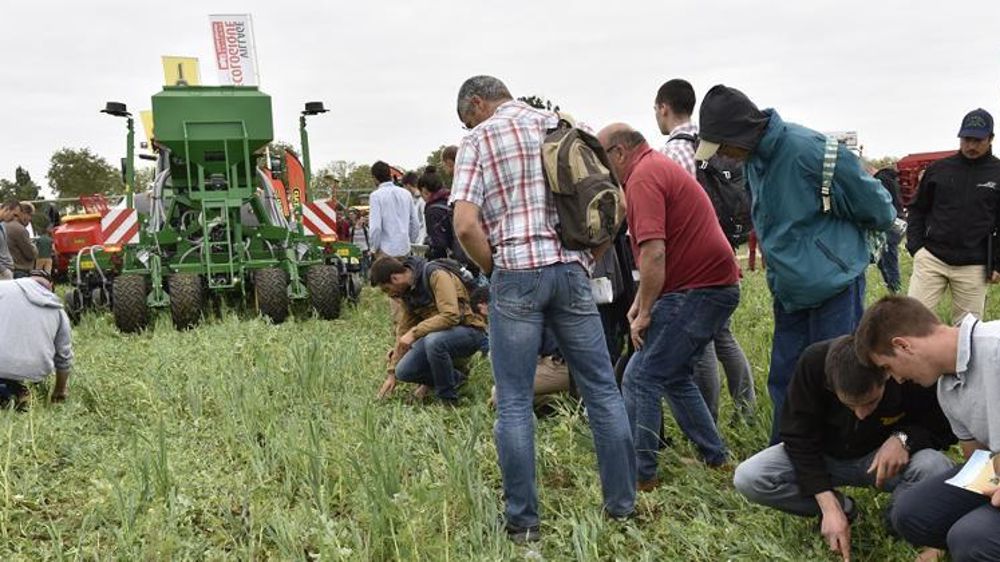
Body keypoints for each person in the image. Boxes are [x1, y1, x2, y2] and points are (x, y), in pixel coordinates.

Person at [450, 75, 636, 541]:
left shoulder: (479, 139)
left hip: (515, 273)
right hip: (571, 273)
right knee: (601, 390)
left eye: (467, 115)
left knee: (513, 402)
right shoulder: (563, 125)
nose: (469, 123)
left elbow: (466, 225)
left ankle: (524, 524)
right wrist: (585, 258)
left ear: (477, 102)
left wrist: (498, 270)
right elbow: (616, 203)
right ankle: (622, 506)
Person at [696, 84, 896, 443]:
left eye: (724, 145)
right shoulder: (754, 158)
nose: (723, 155)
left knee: (839, 376)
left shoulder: (809, 150)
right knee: (786, 377)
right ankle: (787, 453)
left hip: (833, 285)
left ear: (739, 132)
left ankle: (840, 454)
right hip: (789, 289)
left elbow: (877, 206)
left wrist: (832, 249)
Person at [597, 123, 740, 487]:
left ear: (618, 153)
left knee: (641, 376)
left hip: (700, 288)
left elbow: (654, 252)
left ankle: (641, 475)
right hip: (710, 285)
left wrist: (645, 311)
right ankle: (715, 458)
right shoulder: (656, 166)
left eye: (601, 159)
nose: (601, 169)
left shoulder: (642, 177)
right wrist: (643, 303)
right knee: (673, 374)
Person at [734, 335, 955, 562]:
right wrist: (829, 506)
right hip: (825, 457)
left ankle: (897, 522)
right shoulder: (813, 362)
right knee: (750, 477)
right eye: (850, 405)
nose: (861, 413)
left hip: (882, 460)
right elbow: (797, 436)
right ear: (830, 386)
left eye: (871, 402)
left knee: (935, 466)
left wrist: (903, 438)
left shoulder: (904, 371)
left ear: (887, 375)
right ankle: (845, 509)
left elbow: (942, 425)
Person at [856, 296, 1000, 561]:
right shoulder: (945, 389)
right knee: (911, 513)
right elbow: (976, 458)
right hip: (996, 471)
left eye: (888, 367)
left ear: (902, 346)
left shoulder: (995, 346)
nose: (897, 379)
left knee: (970, 538)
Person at [654, 78, 756, 424]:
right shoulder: (709, 143)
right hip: (723, 249)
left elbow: (675, 213)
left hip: (695, 262)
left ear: (663, 108)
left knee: (703, 346)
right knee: (723, 335)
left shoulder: (672, 154)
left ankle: (708, 420)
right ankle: (746, 409)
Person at [905, 109, 1000, 322]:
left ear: (991, 138)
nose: (971, 146)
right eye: (966, 139)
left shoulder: (998, 173)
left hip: (974, 265)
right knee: (911, 324)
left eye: (978, 140)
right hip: (931, 259)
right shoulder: (938, 169)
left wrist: (997, 264)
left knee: (968, 333)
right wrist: (916, 248)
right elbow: (917, 208)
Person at [371, 256, 487, 406]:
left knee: (434, 341)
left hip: (469, 332)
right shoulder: (409, 293)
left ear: (395, 278)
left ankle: (447, 399)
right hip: (440, 337)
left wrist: (414, 333)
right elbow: (403, 333)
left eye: (387, 289)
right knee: (404, 371)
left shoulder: (436, 274)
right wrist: (392, 372)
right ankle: (456, 379)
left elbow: (451, 316)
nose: (389, 294)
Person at [0, 272, 73, 409]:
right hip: (32, 375)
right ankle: (21, 394)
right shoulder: (58, 310)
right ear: (51, 287)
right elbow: (64, 357)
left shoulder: (3, 288)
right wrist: (59, 390)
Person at [368, 160, 420, 259]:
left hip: (386, 251)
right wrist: (409, 241)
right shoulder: (406, 194)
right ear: (390, 174)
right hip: (405, 249)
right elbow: (415, 223)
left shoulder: (376, 196)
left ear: (375, 178)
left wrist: (374, 248)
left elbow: (376, 228)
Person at [874, 167, 905, 293]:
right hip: (898, 219)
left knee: (888, 258)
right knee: (886, 257)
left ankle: (894, 288)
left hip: (889, 222)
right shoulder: (892, 179)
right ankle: (893, 287)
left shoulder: (880, 180)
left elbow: (880, 202)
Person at [4, 202, 37, 279]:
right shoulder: (20, 229)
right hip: (19, 272)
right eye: (30, 215)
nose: (30, 219)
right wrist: (33, 246)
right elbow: (31, 254)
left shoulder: (4, 226)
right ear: (23, 213)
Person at [401, 171, 427, 245]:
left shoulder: (421, 200)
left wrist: (420, 242)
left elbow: (424, 224)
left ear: (408, 185)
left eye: (404, 187)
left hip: (420, 242)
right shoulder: (414, 200)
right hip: (417, 241)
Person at [0, 202, 15, 280]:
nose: (14, 218)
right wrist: (3, 270)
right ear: (6, 210)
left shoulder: (3, 225)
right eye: (14, 214)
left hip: (6, 269)